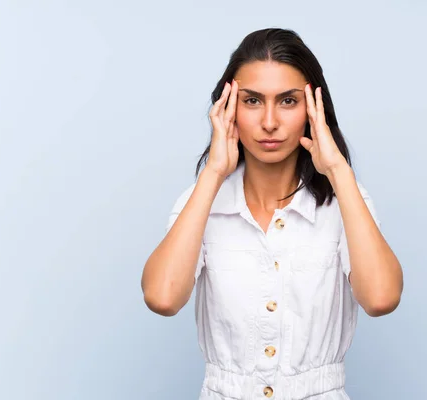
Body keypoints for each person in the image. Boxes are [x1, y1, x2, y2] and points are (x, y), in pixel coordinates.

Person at [141, 28, 403, 400]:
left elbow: (381, 298)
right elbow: (162, 298)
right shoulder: (199, 203)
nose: (268, 122)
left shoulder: (346, 202)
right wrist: (213, 172)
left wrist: (339, 171)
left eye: (287, 101)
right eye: (251, 101)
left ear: (313, 109)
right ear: (227, 109)